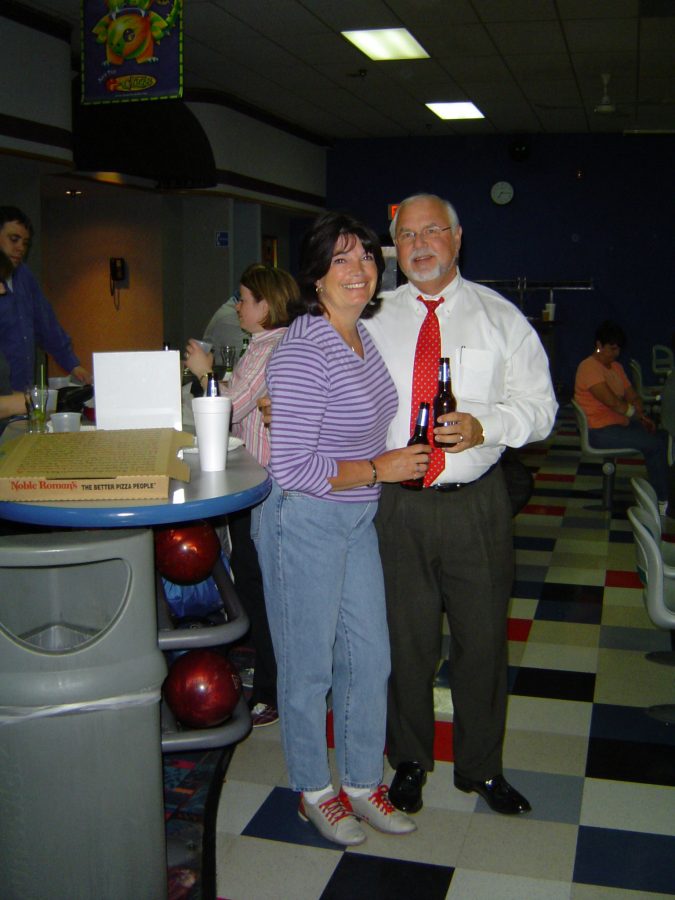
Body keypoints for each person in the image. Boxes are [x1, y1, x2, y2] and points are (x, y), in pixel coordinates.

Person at [364, 193, 557, 816]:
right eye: (406, 235)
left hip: (476, 503)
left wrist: (488, 424)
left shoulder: (501, 319)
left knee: (482, 642)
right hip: (397, 505)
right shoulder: (370, 318)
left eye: (433, 232)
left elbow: (543, 409)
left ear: (457, 237)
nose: (420, 245)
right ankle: (411, 760)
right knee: (406, 640)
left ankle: (481, 768)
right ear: (394, 246)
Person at [253, 211, 430, 846]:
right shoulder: (304, 346)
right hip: (303, 517)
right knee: (308, 667)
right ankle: (312, 789)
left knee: (370, 655)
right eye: (340, 260)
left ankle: (360, 782)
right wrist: (380, 466)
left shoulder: (360, 335)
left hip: (356, 512)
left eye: (364, 257)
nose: (357, 270)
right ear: (316, 276)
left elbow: (356, 417)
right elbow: (296, 467)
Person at [184, 263, 296, 726]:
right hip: (278, 485)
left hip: (262, 490)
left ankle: (270, 688)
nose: (237, 306)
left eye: (244, 299)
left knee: (259, 586)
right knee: (267, 587)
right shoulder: (282, 343)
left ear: (265, 306)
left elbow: (228, 406)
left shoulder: (267, 347)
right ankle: (274, 678)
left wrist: (204, 372)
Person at [575, 320, 670, 516]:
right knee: (655, 445)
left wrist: (640, 412)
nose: (615, 353)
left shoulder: (615, 367)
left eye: (618, 349)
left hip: (619, 424)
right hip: (599, 431)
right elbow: (613, 403)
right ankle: (663, 500)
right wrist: (639, 417)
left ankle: (663, 488)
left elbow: (632, 395)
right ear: (598, 345)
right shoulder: (588, 368)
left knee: (663, 437)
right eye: (611, 349)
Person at [0, 206, 92, 391]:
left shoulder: (24, 276)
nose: (20, 248)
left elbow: (46, 324)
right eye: (14, 239)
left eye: (25, 243)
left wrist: (72, 364)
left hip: (21, 391)